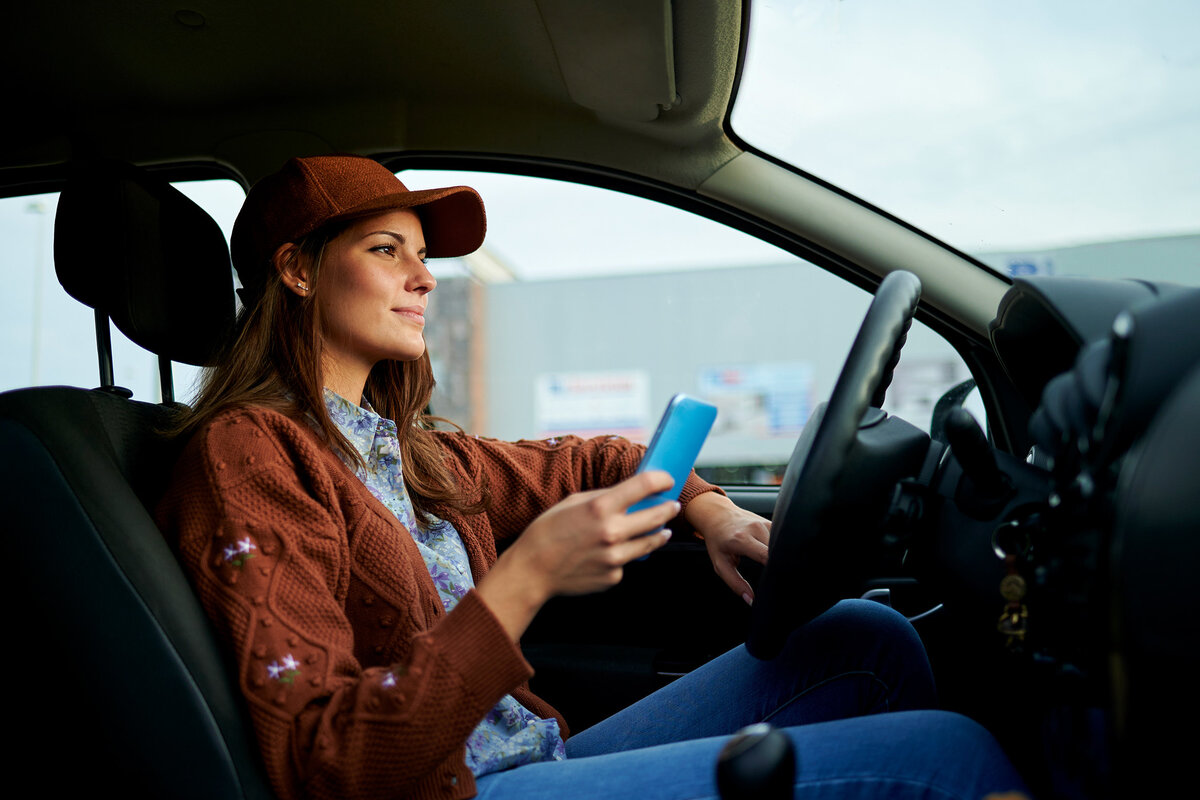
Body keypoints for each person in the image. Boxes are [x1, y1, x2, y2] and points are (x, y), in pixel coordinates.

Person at [157, 155, 1030, 800]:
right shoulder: (248, 457)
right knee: (946, 762)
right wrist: (528, 576)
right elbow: (332, 764)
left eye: (422, 255)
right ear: (299, 270)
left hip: (532, 757)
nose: (424, 277)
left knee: (863, 640)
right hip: (452, 791)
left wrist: (712, 511)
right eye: (388, 250)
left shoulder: (404, 448)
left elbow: (598, 460)